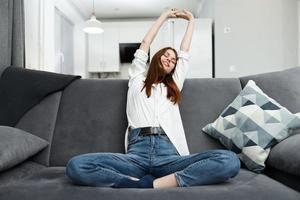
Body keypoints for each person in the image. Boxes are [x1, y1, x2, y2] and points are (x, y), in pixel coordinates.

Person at [66, 8, 240, 188]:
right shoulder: (136, 78)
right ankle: (130, 182)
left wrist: (191, 21)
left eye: (173, 60)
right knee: (76, 166)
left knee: (229, 160)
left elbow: (184, 53)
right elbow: (145, 43)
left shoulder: (173, 84)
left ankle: (157, 184)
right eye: (166, 55)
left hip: (170, 156)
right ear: (156, 56)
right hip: (136, 156)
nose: (169, 60)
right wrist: (164, 17)